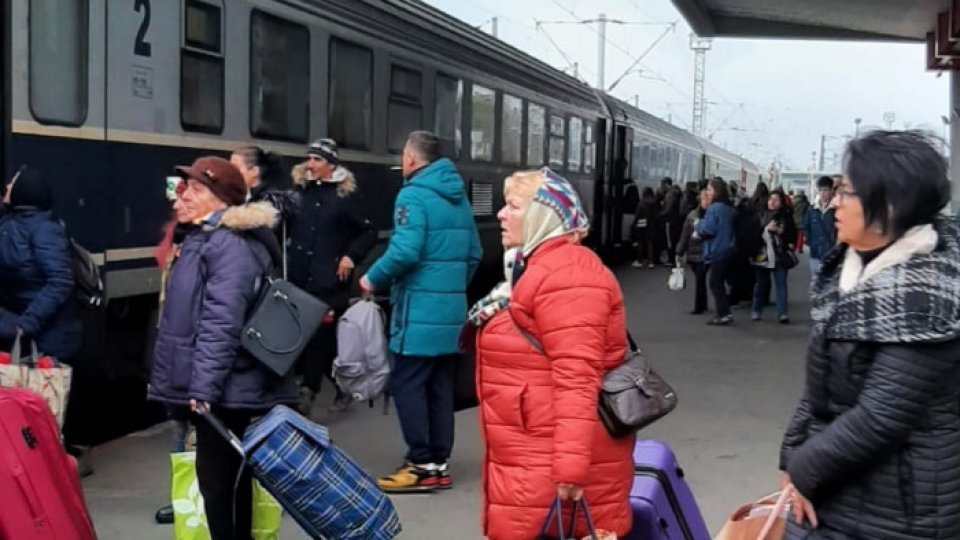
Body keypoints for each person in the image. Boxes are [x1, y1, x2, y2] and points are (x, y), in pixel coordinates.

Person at [779, 131, 960, 539]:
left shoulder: (926, 294)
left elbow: (880, 418)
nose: (835, 202)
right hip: (839, 486)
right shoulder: (850, 272)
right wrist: (790, 455)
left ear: (890, 205)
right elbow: (818, 387)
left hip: (899, 511)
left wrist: (803, 471)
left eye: (847, 192)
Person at [469, 168, 632, 540]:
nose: (500, 214)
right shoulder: (535, 270)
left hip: (549, 468)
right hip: (531, 457)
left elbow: (578, 378)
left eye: (512, 206)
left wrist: (571, 471)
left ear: (543, 216)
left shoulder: (569, 277)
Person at [148, 156, 297, 540]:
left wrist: (203, 389)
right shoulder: (208, 239)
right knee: (226, 484)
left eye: (197, 189)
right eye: (187, 188)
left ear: (221, 199)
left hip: (230, 389)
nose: (186, 196)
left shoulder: (229, 245)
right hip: (229, 385)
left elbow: (220, 323)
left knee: (221, 486)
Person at [361, 131, 482, 493]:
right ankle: (438, 463)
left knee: (409, 384)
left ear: (411, 159)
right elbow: (473, 253)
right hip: (450, 313)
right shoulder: (457, 197)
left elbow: (405, 252)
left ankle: (420, 465)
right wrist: (450, 287)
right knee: (440, 387)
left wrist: (371, 278)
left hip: (417, 312)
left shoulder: (412, 195)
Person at [0, 165, 85, 465]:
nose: (6, 188)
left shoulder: (43, 230)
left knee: (41, 407)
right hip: (21, 327)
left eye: (12, 184)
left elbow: (60, 280)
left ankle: (48, 469)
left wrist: (26, 324)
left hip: (47, 334)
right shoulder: (12, 223)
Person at [287, 138, 377, 414]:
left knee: (319, 337)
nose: (310, 164)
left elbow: (367, 232)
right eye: (309, 159)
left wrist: (351, 255)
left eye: (317, 160)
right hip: (300, 276)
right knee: (303, 335)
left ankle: (308, 392)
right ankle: (341, 386)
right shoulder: (300, 191)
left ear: (331, 164)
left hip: (329, 279)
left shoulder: (345, 195)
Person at [750, 189, 797, 324]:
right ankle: (756, 310)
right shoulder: (760, 215)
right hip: (762, 255)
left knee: (781, 284)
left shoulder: (786, 216)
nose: (772, 202)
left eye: (776, 200)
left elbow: (792, 234)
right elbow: (752, 233)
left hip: (779, 255)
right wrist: (766, 229)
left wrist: (781, 232)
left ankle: (782, 313)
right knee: (760, 284)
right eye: (771, 199)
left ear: (781, 202)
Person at [696, 179, 737, 325]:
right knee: (718, 282)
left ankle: (723, 313)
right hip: (728, 249)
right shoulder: (728, 208)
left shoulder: (714, 209)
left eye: (709, 189)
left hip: (717, 249)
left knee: (715, 283)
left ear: (716, 191)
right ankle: (725, 312)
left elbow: (709, 229)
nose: (707, 192)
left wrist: (698, 226)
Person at [230, 146, 294, 222]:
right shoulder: (248, 196)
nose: (230, 172)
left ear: (254, 171)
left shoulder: (270, 201)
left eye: (236, 168)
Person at [677, 189, 710, 314]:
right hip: (693, 251)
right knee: (699, 278)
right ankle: (703, 303)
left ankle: (699, 307)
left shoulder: (712, 215)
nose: (706, 202)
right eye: (704, 199)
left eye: (708, 200)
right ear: (700, 200)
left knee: (700, 279)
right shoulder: (692, 216)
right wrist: (679, 251)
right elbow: (685, 234)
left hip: (705, 252)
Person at [804, 176, 837, 277]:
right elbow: (807, 227)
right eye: (820, 190)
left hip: (831, 254)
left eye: (826, 190)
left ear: (831, 191)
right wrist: (811, 243)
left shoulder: (837, 210)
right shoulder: (812, 209)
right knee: (816, 282)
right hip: (815, 252)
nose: (823, 193)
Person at [631, 187, 660, 268]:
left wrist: (634, 224)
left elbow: (637, 214)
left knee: (641, 243)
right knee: (650, 243)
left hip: (641, 224)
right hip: (652, 225)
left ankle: (640, 261)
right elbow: (657, 214)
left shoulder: (642, 202)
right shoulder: (655, 202)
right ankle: (651, 262)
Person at [659, 177, 682, 266]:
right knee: (673, 240)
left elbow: (668, 208)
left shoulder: (670, 194)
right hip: (676, 220)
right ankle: (673, 259)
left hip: (670, 220)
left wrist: (660, 214)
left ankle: (671, 259)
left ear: (665, 184)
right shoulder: (676, 192)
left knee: (670, 240)